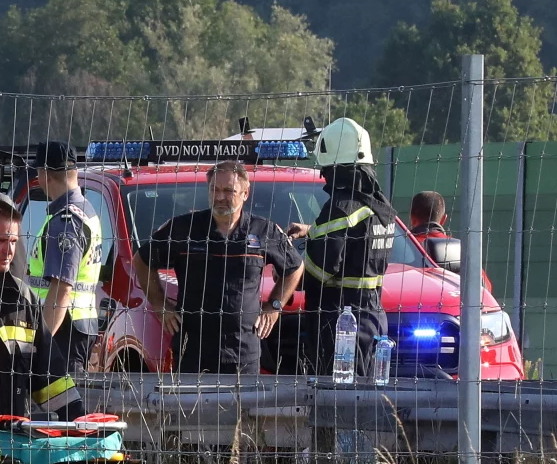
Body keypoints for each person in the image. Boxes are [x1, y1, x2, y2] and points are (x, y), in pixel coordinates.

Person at [133, 160, 303, 375]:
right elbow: (141, 259)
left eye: (229, 190)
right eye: (215, 189)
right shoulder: (184, 228)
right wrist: (159, 303)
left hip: (243, 351)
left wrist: (275, 305)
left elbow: (295, 267)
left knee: (242, 409)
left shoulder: (263, 230)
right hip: (193, 350)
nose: (220, 197)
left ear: (245, 193)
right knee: (190, 409)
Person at [288, 119, 396, 378]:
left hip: (339, 323)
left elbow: (320, 270)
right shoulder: (381, 208)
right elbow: (354, 241)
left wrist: (287, 258)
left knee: (335, 403)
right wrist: (314, 230)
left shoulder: (340, 208)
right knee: (367, 399)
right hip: (373, 318)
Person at [0, 196, 82, 420]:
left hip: (9, 439)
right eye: (0, 240)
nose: (9, 250)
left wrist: (81, 425)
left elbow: (49, 377)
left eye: (14, 241)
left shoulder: (21, 300)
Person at [29, 141, 102, 373]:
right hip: (77, 324)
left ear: (44, 175)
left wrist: (41, 343)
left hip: (62, 329)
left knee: (61, 405)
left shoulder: (65, 222)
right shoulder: (86, 211)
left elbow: (61, 290)